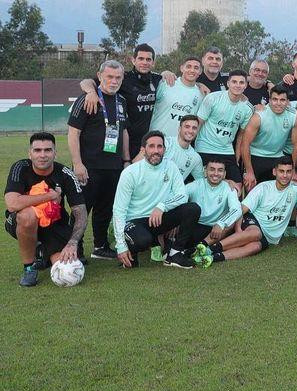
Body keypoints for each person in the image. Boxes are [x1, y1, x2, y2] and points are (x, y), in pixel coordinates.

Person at [5, 132, 87, 286]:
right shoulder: (20, 167)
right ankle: (29, 268)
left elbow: (80, 211)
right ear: (30, 153)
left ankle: (41, 252)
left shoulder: (65, 174)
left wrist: (73, 242)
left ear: (55, 153)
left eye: (48, 150)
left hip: (54, 224)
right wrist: (49, 196)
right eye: (37, 150)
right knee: (28, 215)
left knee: (63, 264)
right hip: (20, 222)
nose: (42, 155)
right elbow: (12, 203)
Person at [192, 158, 297, 265]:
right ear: (274, 172)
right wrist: (237, 228)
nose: (285, 175)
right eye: (281, 171)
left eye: (288, 171)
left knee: (255, 247)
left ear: (293, 173)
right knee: (255, 233)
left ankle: (211, 257)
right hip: (253, 220)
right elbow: (240, 210)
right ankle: (207, 249)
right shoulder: (263, 188)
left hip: (269, 237)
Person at [111, 131, 201, 269]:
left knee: (192, 209)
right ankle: (131, 254)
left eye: (160, 147)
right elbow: (119, 210)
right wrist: (121, 246)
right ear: (143, 150)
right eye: (151, 146)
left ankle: (174, 254)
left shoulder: (170, 167)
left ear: (164, 149)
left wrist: (162, 206)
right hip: (135, 220)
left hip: (157, 218)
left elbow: (182, 195)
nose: (156, 151)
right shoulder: (130, 173)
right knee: (142, 241)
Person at [68, 59, 129, 260]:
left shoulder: (121, 101)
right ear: (100, 76)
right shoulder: (87, 99)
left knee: (105, 209)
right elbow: (73, 133)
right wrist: (77, 164)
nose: (114, 81)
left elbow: (124, 131)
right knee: (82, 209)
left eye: (118, 77)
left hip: (113, 167)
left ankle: (100, 246)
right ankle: (75, 248)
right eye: (109, 77)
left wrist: (126, 160)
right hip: (89, 166)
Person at [77, 43, 166, 150]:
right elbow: (86, 82)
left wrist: (168, 73)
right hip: (126, 139)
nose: (144, 62)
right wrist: (91, 92)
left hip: (149, 141)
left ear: (153, 62)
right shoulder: (122, 78)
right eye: (141, 58)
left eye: (148, 59)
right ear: (133, 60)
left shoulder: (158, 80)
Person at [193, 70, 254, 194]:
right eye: (234, 82)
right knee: (205, 185)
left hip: (226, 150)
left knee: (236, 187)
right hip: (205, 148)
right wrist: (191, 150)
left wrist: (236, 157)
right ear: (228, 83)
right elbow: (198, 124)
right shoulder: (213, 98)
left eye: (241, 82)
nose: (238, 85)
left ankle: (230, 212)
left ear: (245, 85)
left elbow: (241, 135)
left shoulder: (247, 108)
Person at [186, 160, 243, 259]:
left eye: (220, 170)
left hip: (215, 230)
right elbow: (179, 196)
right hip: (195, 226)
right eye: (212, 169)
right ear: (205, 171)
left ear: (224, 174)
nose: (216, 174)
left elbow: (237, 209)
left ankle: (201, 247)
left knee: (231, 222)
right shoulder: (196, 185)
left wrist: (221, 223)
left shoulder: (229, 188)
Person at [241, 85, 296, 187]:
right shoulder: (259, 116)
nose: (278, 103)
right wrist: (249, 171)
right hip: (256, 156)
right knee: (253, 193)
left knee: (277, 194)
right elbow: (245, 144)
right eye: (275, 99)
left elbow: (296, 145)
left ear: (288, 102)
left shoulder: (294, 116)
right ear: (269, 100)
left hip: (277, 157)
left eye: (282, 100)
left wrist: (294, 170)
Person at [147, 55, 204, 138]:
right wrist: (164, 73)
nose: (192, 70)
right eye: (188, 66)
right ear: (181, 68)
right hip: (157, 141)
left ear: (200, 72)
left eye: (196, 68)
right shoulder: (166, 83)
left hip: (179, 144)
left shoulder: (201, 94)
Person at [159, 114, 203, 182]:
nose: (191, 131)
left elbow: (201, 183)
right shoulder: (166, 143)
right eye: (187, 127)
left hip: (174, 192)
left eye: (194, 128)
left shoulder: (195, 158)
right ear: (179, 128)